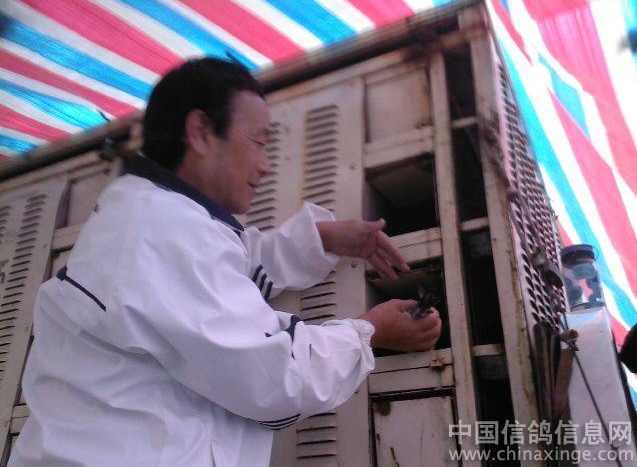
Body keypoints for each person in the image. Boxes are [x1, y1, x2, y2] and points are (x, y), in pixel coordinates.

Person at [9, 58, 441, 467]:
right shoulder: (161, 232)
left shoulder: (150, 218)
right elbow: (278, 378)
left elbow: (228, 268)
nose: (266, 165)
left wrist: (322, 239)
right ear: (200, 132)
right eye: (259, 142)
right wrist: (371, 332)